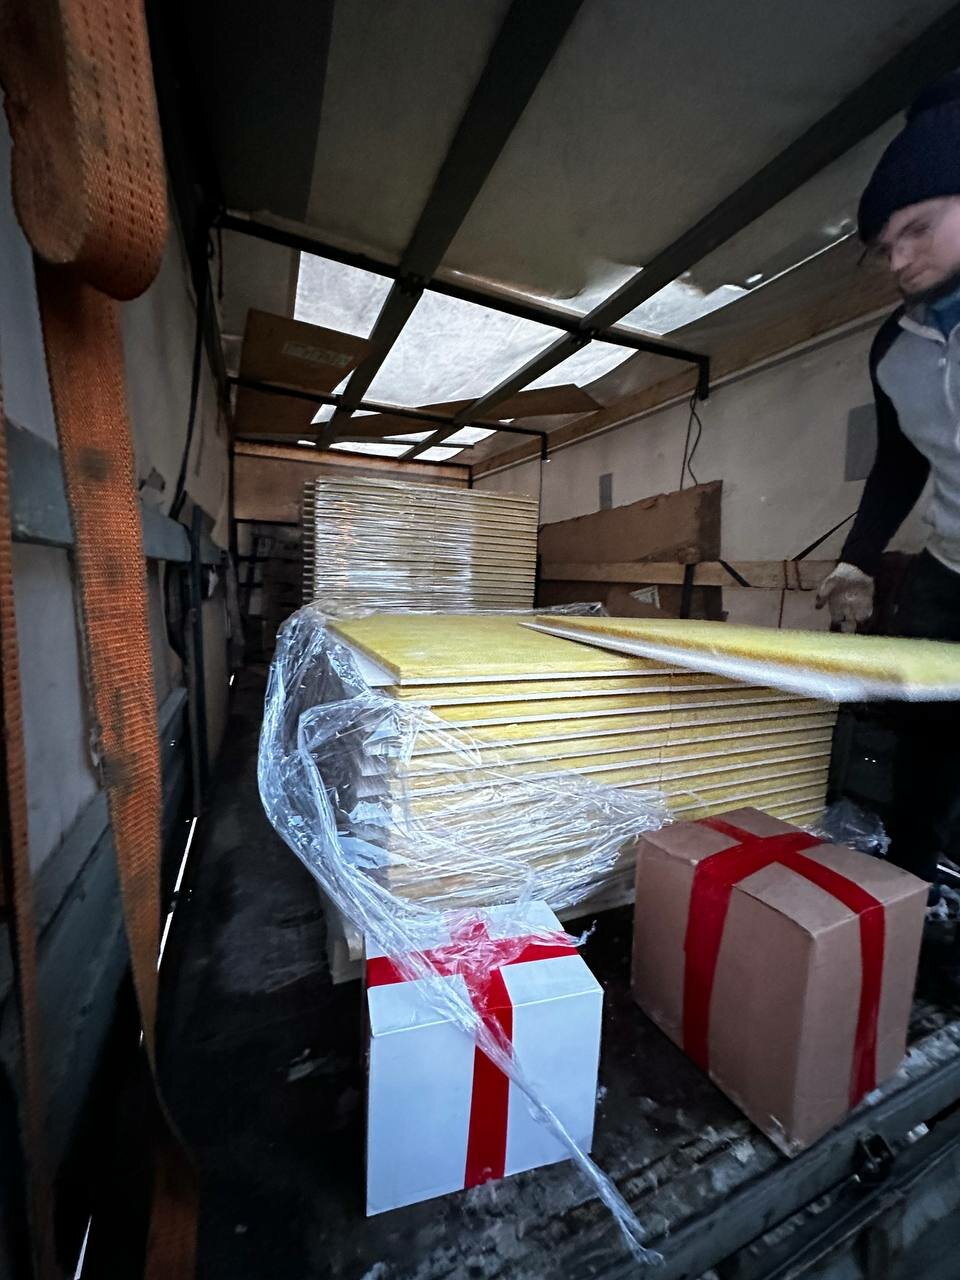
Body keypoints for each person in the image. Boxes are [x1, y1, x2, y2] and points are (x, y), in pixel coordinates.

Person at [816, 73, 960, 896]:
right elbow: (901, 461)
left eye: (919, 228)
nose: (899, 258)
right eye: (884, 244)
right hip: (948, 567)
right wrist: (857, 560)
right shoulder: (894, 346)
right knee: (927, 737)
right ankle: (913, 890)